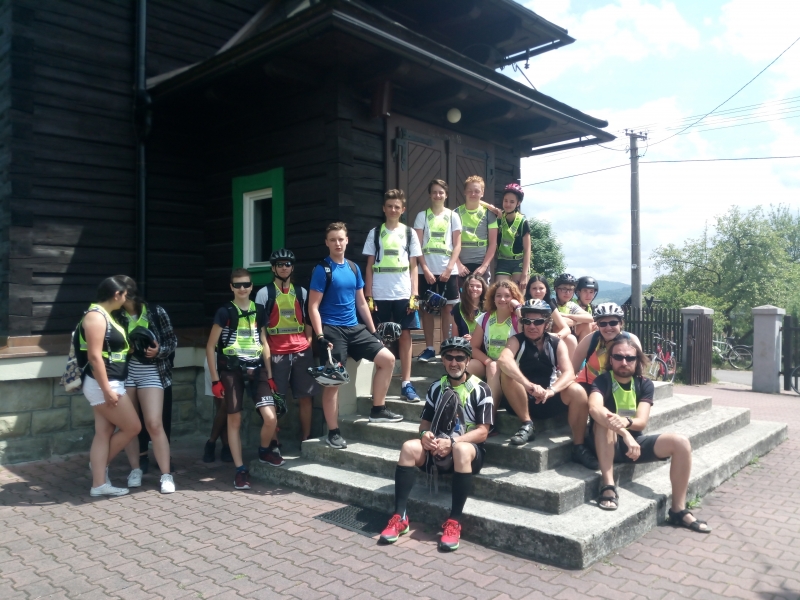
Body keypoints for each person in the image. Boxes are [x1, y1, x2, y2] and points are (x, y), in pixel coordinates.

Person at [587, 334, 711, 533]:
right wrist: (624, 433)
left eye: (630, 358)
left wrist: (628, 424)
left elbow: (641, 421)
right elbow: (594, 408)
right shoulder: (602, 381)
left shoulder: (644, 384)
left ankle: (678, 510)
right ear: (611, 359)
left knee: (681, 443)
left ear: (637, 360)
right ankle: (608, 485)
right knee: (604, 422)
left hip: (634, 445)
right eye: (618, 357)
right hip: (605, 444)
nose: (624, 362)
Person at [379, 337, 493, 551]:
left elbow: (483, 432)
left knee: (460, 449)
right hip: (438, 447)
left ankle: (454, 521)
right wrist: (425, 435)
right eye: (449, 357)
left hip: (467, 450)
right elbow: (424, 425)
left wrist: (453, 441)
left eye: (460, 358)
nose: (454, 362)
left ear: (468, 360)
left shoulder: (481, 388)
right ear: (442, 360)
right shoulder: (436, 387)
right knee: (408, 447)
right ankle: (400, 516)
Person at [309, 222, 402, 450]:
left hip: (355, 328)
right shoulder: (322, 269)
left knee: (388, 359)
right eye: (333, 240)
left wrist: (373, 332)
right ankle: (333, 432)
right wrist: (320, 336)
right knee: (333, 380)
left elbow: (361, 303)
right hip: (332, 329)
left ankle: (378, 409)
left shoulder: (353, 268)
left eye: (341, 239)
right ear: (327, 243)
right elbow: (313, 306)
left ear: (347, 240)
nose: (337, 243)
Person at [496, 300, 598, 469]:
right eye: (527, 321)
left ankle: (578, 446)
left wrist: (551, 391)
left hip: (547, 397)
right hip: (521, 398)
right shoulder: (516, 340)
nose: (532, 326)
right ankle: (527, 424)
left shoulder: (555, 342)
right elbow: (504, 359)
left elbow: (568, 373)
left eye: (538, 322)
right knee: (507, 374)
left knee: (577, 391)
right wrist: (529, 385)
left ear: (547, 323)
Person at [205, 268, 276, 490]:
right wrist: (215, 380)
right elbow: (210, 346)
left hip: (257, 368)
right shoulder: (224, 312)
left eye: (246, 284)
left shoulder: (259, 310)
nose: (242, 288)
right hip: (231, 369)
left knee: (270, 418)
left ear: (251, 286)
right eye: (238, 285)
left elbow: (264, 342)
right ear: (231, 287)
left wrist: (270, 374)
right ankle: (240, 469)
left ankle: (264, 450)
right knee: (234, 419)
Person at [255, 248, 320, 457]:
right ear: (273, 268)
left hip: (301, 351)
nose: (284, 268)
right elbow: (260, 327)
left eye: (288, 264)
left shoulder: (301, 292)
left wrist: (309, 341)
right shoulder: (264, 293)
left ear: (292, 268)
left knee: (306, 397)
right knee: (276, 399)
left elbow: (308, 319)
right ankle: (274, 441)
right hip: (276, 353)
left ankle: (306, 438)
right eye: (280, 264)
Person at [81, 276, 141, 497]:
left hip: (109, 381)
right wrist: (107, 390)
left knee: (104, 432)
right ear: (117, 294)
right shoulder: (95, 317)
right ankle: (98, 468)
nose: (126, 299)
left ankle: (98, 484)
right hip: (104, 384)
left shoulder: (104, 315)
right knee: (133, 427)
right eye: (125, 295)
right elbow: (95, 357)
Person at [118, 277, 178, 494]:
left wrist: (158, 351)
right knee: (130, 425)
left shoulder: (155, 312)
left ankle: (166, 475)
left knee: (154, 423)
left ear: (127, 294)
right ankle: (135, 469)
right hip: (126, 373)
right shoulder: (115, 316)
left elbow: (172, 340)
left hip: (152, 371)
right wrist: (125, 349)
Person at [364, 189, 423, 400]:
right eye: (389, 206)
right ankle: (379, 384)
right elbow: (369, 266)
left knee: (405, 336)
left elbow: (414, 266)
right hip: (380, 292)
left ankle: (406, 383)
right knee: (379, 336)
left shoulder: (409, 233)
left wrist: (415, 294)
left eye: (397, 206)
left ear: (403, 209)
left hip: (403, 292)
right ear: (384, 208)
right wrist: (368, 295)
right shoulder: (375, 233)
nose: (393, 209)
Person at [413, 179, 462, 362]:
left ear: (446, 195)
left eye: (441, 192)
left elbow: (457, 245)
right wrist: (425, 269)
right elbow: (417, 245)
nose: (437, 195)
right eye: (434, 192)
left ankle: (445, 348)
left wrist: (449, 268)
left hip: (447, 270)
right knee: (426, 309)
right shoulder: (422, 216)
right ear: (430, 194)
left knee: (448, 309)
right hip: (426, 270)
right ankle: (429, 348)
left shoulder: (453, 216)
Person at [468, 280, 523, 415]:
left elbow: (526, 337)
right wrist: (488, 361)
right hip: (490, 362)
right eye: (498, 295)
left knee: (494, 367)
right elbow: (473, 347)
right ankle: (461, 408)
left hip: (513, 365)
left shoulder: (518, 318)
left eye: (507, 296)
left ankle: (489, 417)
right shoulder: (485, 318)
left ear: (514, 298)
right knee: (468, 366)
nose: (502, 299)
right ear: (493, 298)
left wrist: (518, 307)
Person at [572, 302, 643, 393]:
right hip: (589, 386)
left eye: (613, 323)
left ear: (621, 323)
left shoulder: (631, 340)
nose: (608, 327)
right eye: (603, 324)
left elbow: (639, 372)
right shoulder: (590, 340)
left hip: (619, 388)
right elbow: (572, 369)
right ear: (598, 325)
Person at [481, 183, 530, 287]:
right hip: (503, 260)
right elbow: (478, 201)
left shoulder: (523, 222)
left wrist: (525, 275)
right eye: (505, 200)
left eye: (512, 202)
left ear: (518, 203)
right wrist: (492, 208)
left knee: (518, 293)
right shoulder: (499, 217)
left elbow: (527, 249)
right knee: (501, 290)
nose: (507, 204)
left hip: (519, 262)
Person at [455, 175, 498, 287]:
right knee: (460, 297)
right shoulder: (455, 213)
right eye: (469, 191)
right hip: (460, 266)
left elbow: (493, 243)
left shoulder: (489, 214)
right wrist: (458, 264)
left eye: (477, 191)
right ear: (464, 192)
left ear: (482, 193)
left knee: (483, 296)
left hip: (481, 265)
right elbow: (450, 242)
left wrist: (484, 266)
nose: (473, 194)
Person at [524, 275, 577, 358]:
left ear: (546, 290)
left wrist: (555, 337)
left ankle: (571, 366)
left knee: (571, 339)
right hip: (527, 338)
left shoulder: (549, 305)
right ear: (529, 291)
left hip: (545, 338)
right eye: (534, 288)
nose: (538, 291)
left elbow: (566, 329)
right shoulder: (524, 305)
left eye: (541, 288)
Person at [451, 273, 487, 340]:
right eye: (471, 286)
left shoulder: (488, 308)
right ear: (466, 288)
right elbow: (454, 337)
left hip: (483, 345)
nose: (474, 289)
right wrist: (462, 340)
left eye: (478, 286)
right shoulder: (458, 307)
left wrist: (474, 339)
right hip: (463, 345)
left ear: (483, 289)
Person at [574, 276, 599, 341]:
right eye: (585, 291)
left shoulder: (593, 308)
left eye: (591, 292)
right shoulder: (571, 306)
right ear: (578, 292)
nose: (588, 295)